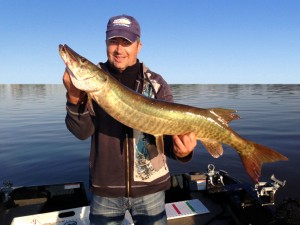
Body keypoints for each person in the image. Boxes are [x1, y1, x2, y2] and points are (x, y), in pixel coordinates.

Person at [63, 14, 197, 225]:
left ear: (139, 46)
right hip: (105, 190)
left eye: (126, 42)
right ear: (106, 43)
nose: (118, 49)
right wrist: (73, 97)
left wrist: (183, 152)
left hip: (151, 188)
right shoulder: (92, 84)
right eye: (113, 42)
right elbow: (81, 132)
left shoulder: (156, 84)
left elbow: (169, 140)